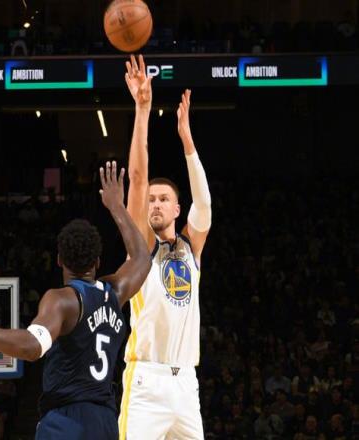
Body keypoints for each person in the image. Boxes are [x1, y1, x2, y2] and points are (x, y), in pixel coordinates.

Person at [0, 161, 151, 440]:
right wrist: (116, 206)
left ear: (59, 260)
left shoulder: (62, 300)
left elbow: (32, 347)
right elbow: (142, 258)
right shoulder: (115, 292)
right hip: (106, 421)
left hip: (66, 421)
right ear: (97, 261)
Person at [118, 55, 212, 439]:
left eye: (163, 199)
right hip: (147, 382)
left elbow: (204, 204)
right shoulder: (140, 247)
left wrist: (188, 143)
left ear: (176, 209)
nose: (154, 204)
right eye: (151, 200)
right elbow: (138, 178)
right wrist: (142, 110)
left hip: (186, 382)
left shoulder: (191, 247)